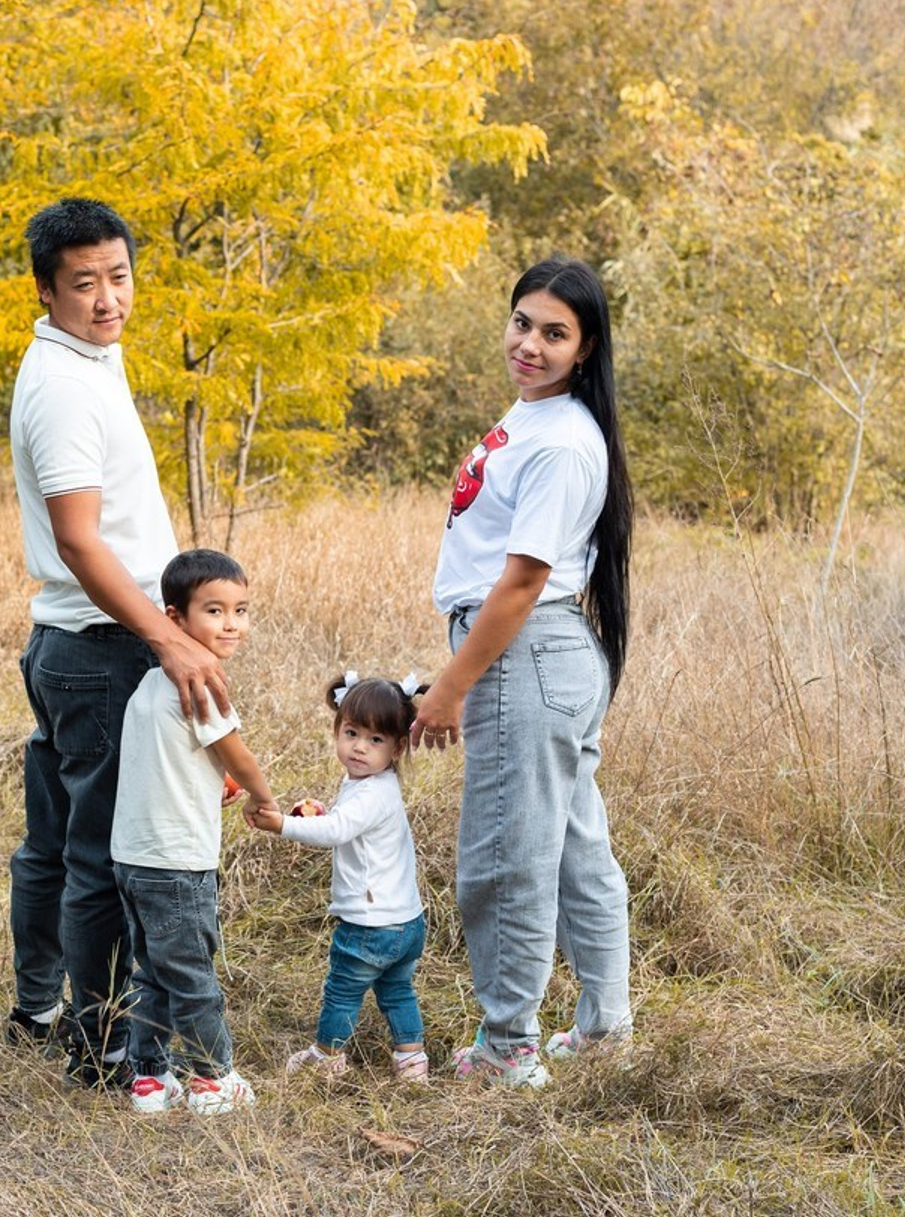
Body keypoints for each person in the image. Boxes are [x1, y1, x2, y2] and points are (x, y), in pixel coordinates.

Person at [7, 198, 230, 1090]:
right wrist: (167, 641)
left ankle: (39, 1009)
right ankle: (97, 1045)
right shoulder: (63, 386)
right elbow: (80, 541)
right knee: (99, 856)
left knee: (56, 846)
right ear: (48, 289)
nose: (108, 299)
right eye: (85, 283)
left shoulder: (90, 358)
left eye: (119, 276)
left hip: (75, 642)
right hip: (102, 647)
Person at [411, 255, 634, 1090]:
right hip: (549, 655)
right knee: (575, 849)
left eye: (554, 334)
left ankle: (508, 1050)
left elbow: (522, 582)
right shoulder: (538, 415)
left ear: (585, 347)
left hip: (523, 651)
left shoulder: (566, 442)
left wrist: (452, 685)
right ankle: (605, 1030)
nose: (530, 345)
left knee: (505, 857)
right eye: (522, 323)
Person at [111, 549, 279, 1115]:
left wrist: (216, 784)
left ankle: (151, 1078)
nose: (231, 623)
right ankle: (212, 1079)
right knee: (192, 974)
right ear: (174, 618)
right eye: (214, 610)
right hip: (177, 860)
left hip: (132, 856)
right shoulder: (201, 686)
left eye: (241, 609)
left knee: (153, 970)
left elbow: (166, 759)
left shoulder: (149, 686)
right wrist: (261, 795)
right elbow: (238, 755)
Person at [251, 674, 429, 1084]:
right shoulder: (376, 785)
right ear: (338, 730)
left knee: (343, 991)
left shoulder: (371, 794)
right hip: (406, 920)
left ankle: (327, 1056)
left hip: (369, 924)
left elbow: (335, 831)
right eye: (351, 733)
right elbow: (344, 823)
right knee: (397, 990)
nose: (359, 747)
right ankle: (411, 1057)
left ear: (398, 747)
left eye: (375, 740)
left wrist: (282, 825)